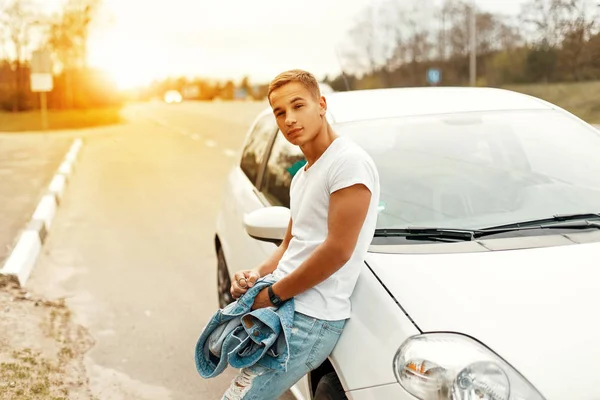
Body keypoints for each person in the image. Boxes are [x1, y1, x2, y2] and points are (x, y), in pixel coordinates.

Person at [222, 69, 380, 400]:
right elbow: (291, 243)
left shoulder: (347, 163)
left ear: (321, 104)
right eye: (280, 112)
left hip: (312, 318)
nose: (289, 119)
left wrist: (274, 294)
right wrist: (256, 275)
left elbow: (338, 251)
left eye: (298, 106)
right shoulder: (302, 176)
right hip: (287, 309)